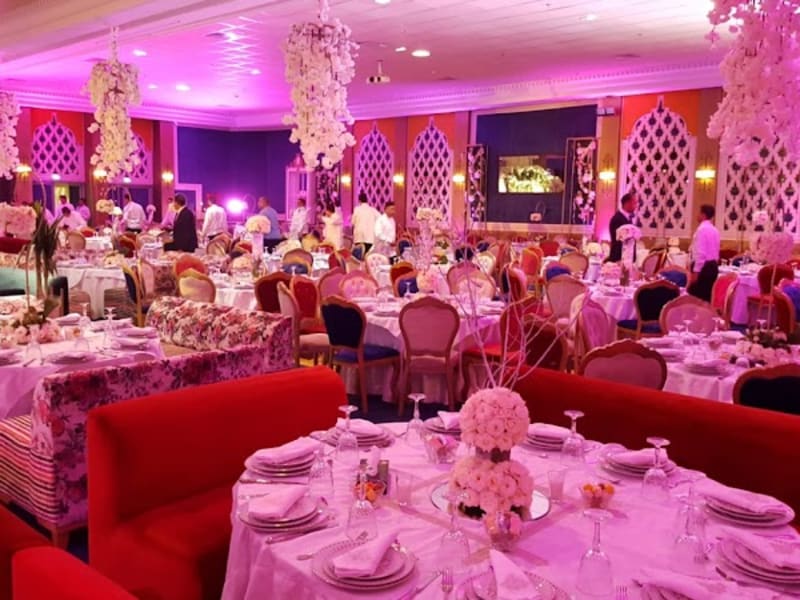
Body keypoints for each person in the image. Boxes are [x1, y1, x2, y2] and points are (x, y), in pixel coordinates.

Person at [687, 204, 721, 302]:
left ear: (703, 215)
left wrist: (696, 272)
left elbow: (700, 253)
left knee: (696, 299)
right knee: (707, 298)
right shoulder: (715, 230)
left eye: (699, 213)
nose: (697, 215)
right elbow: (717, 250)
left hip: (703, 268)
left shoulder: (701, 230)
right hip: (713, 267)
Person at [608, 192, 638, 263]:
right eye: (634, 203)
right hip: (619, 258)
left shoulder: (627, 218)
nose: (636, 206)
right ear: (627, 203)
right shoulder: (617, 219)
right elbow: (619, 241)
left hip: (627, 259)